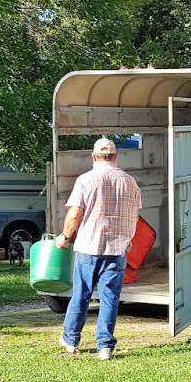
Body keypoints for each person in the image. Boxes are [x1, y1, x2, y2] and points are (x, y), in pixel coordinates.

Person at [56, 137, 141, 359]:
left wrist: (65, 237)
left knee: (81, 295)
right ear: (115, 156)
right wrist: (128, 239)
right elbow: (134, 216)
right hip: (117, 249)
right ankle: (105, 347)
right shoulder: (130, 182)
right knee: (110, 298)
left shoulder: (86, 180)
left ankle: (70, 339)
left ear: (94, 156)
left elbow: (75, 213)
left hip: (89, 247)